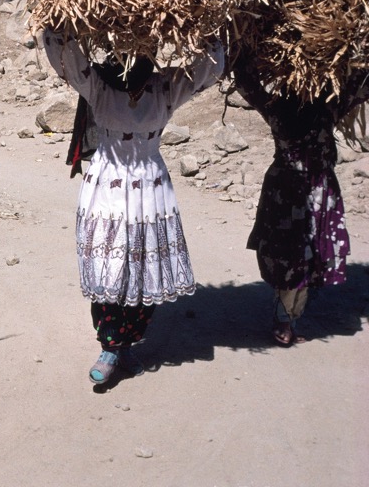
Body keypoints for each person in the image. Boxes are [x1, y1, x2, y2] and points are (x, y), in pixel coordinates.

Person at [41, 28, 224, 385]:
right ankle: (109, 346)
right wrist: (59, 22)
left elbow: (210, 68)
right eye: (125, 47)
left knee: (143, 271)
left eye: (142, 46)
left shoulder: (166, 87)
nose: (133, 54)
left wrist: (213, 32)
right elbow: (63, 56)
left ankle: (125, 346)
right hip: (108, 191)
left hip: (150, 194)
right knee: (109, 267)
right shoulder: (99, 86)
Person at [231, 59, 368, 346]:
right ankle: (285, 318)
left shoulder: (317, 105)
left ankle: (289, 319)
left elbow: (245, 78)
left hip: (307, 190)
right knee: (292, 255)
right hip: (293, 191)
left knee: (307, 255)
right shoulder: (304, 107)